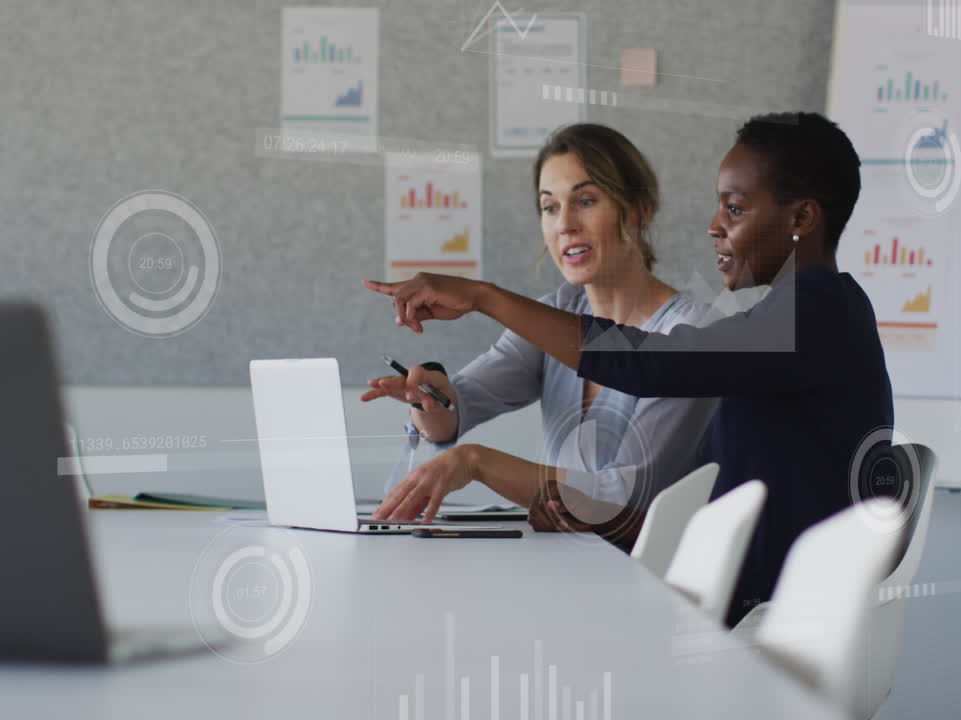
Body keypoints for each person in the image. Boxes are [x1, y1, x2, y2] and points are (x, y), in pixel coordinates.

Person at [365, 112, 894, 626]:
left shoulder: (814, 312)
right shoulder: (801, 311)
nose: (714, 226)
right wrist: (576, 505)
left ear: (801, 219)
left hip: (768, 617)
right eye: (548, 206)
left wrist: (484, 297)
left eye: (734, 209)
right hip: (739, 601)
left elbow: (647, 364)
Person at [362, 123, 717, 547]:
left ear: (640, 209)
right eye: (549, 207)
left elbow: (621, 497)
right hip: (568, 565)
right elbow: (458, 410)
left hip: (648, 576)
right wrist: (429, 400)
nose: (565, 224)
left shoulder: (692, 331)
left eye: (586, 201)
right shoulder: (560, 310)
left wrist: (477, 462)